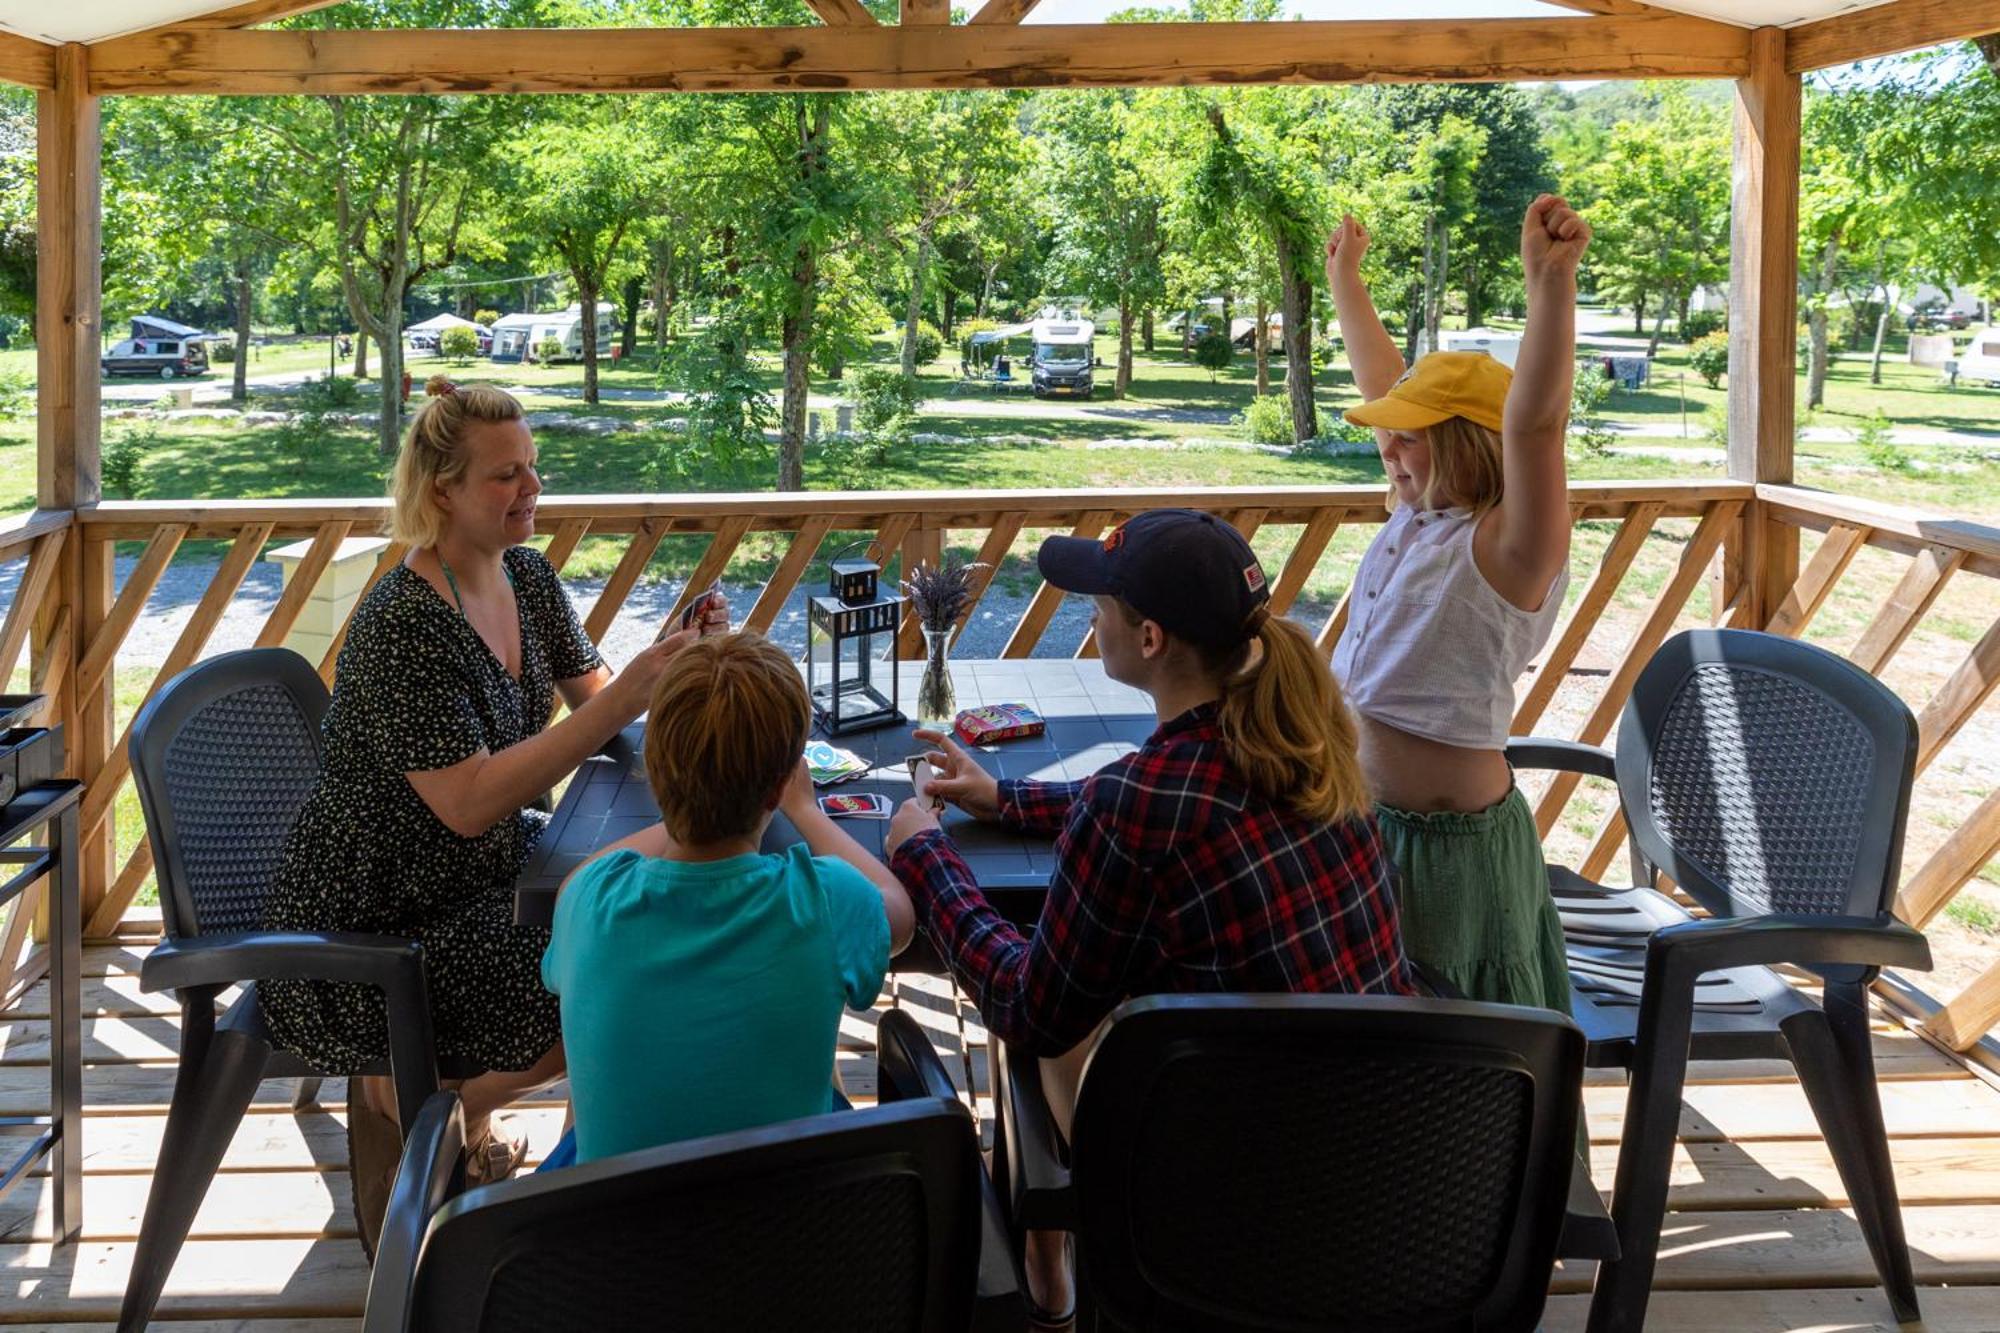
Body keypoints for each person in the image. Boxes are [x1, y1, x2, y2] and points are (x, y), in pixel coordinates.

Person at [884, 509, 1412, 1325]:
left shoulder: (1141, 804)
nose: (1091, 614)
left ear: (1152, 639)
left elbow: (1029, 1006)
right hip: (1381, 1173)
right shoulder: (1307, 744)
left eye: (1102, 601)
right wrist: (1004, 796)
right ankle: (1050, 1266)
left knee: (1063, 1021)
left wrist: (925, 852)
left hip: (1219, 1212)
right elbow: (1155, 795)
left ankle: (1044, 1265)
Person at [259, 376, 728, 1254]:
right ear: (443, 491)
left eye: (534, 468)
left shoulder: (526, 574)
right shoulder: (404, 621)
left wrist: (676, 666)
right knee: (608, 960)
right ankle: (418, 1103)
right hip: (373, 921)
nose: (532, 489)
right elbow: (471, 802)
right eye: (505, 475)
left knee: (640, 914)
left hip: (485, 872)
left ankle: (495, 1144)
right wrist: (629, 693)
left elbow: (596, 700)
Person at [1322, 195, 1592, 1011]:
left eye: (1410, 435)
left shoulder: (1510, 549)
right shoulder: (1419, 513)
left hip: (1455, 856)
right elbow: (1383, 384)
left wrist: (1550, 285)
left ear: (1471, 444)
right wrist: (1346, 283)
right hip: (1361, 828)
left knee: (1455, 1045)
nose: (1389, 448)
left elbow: (1537, 426)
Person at [539, 632, 917, 1168]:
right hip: (795, 1230)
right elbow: (897, 912)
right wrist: (805, 810)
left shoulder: (587, 901)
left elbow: (586, 873)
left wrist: (682, 807)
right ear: (779, 786)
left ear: (657, 773)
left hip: (613, 1235)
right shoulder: (827, 899)